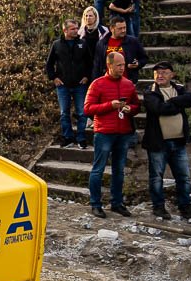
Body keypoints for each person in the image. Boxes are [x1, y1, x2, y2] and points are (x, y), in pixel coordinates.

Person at [84, 52, 139, 218]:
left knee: (119, 170)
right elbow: (87, 109)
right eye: (119, 65)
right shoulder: (97, 84)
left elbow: (136, 105)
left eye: (123, 65)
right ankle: (95, 204)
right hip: (104, 132)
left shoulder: (128, 84)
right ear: (110, 65)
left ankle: (117, 203)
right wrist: (110, 105)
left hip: (123, 132)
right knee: (98, 169)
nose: (122, 68)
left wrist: (131, 109)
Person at [141, 61, 191, 220]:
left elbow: (190, 99)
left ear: (172, 75)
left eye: (164, 72)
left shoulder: (178, 88)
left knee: (183, 177)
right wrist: (177, 104)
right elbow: (159, 109)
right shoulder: (150, 92)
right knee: (157, 177)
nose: (160, 75)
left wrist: (172, 102)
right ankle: (158, 207)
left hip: (178, 142)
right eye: (157, 72)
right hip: (158, 143)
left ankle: (185, 207)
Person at [45, 18, 93, 148]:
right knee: (64, 113)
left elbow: (90, 63)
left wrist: (86, 77)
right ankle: (68, 138)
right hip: (63, 86)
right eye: (73, 29)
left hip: (80, 85)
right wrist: (54, 78)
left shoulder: (82, 43)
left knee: (82, 112)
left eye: (77, 28)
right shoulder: (56, 44)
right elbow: (49, 64)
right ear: (65, 30)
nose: (76, 31)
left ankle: (81, 138)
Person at [93, 16, 148, 83]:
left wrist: (138, 64)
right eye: (120, 28)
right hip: (107, 83)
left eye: (124, 28)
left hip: (127, 82)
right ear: (111, 28)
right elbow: (97, 65)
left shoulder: (133, 41)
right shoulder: (102, 44)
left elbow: (144, 58)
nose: (123, 30)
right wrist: (95, 82)